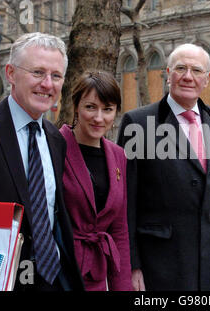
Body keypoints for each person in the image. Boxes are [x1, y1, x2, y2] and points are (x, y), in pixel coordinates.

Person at [0, 32, 84, 291]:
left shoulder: (55, 139)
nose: (48, 84)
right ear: (11, 73)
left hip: (50, 279)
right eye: (37, 72)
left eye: (56, 76)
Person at [117, 43, 210, 291]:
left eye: (196, 70)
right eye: (180, 68)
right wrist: (132, 263)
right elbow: (125, 199)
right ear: (168, 73)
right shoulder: (138, 123)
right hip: (160, 264)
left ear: (207, 79)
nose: (187, 76)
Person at [59, 71, 131, 291]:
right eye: (90, 107)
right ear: (76, 107)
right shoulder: (55, 145)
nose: (99, 118)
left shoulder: (118, 155)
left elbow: (119, 229)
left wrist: (123, 287)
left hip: (97, 277)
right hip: (60, 272)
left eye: (107, 109)